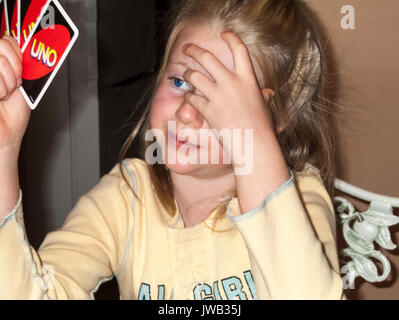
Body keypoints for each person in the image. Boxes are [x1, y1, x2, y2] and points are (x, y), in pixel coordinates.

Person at [0, 0, 345, 299]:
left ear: (275, 119)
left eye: (222, 99)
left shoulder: (299, 197)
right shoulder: (126, 198)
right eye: (179, 81)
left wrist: (253, 140)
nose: (187, 112)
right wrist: (4, 150)